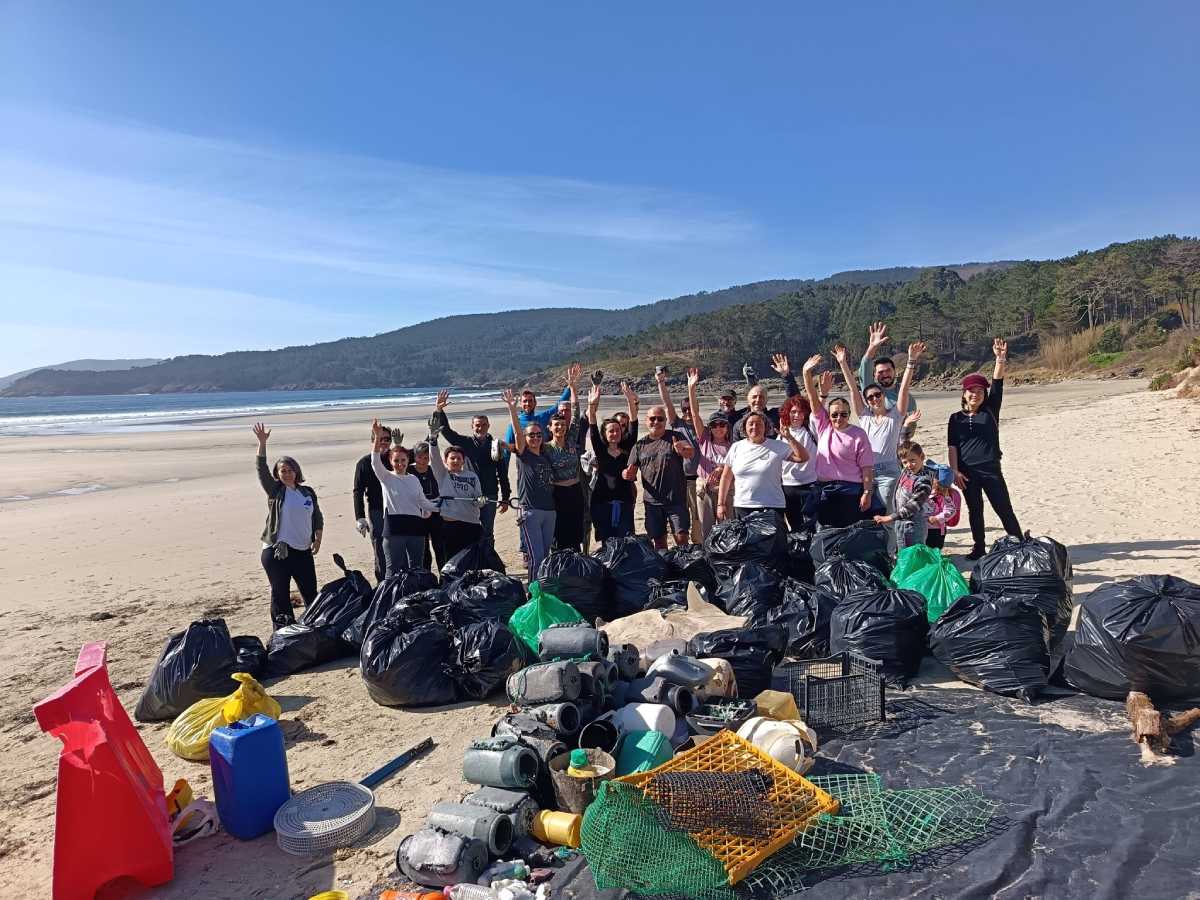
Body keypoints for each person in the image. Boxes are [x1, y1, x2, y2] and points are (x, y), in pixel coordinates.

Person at [948, 338, 1023, 559]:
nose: (976, 394)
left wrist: (1000, 359)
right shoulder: (955, 418)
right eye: (971, 391)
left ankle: (1019, 542)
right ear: (964, 394)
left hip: (990, 468)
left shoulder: (990, 410)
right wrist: (954, 470)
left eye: (980, 391)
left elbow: (998, 382)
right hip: (966, 473)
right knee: (975, 511)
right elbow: (952, 446)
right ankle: (979, 547)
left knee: (1003, 508)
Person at [834, 341, 923, 513]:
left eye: (878, 395)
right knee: (866, 515)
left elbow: (904, 389)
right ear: (866, 401)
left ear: (883, 395)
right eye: (870, 397)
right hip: (865, 471)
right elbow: (853, 389)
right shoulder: (865, 416)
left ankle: (894, 541)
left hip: (889, 472)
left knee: (889, 516)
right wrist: (842, 363)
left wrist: (911, 361)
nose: (874, 399)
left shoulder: (896, 415)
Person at [253, 423, 323, 628]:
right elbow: (261, 469)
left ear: (297, 471)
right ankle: (282, 632)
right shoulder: (275, 491)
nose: (287, 474)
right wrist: (262, 444)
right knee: (280, 594)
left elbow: (317, 517)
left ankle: (313, 628)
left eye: (290, 470)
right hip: (277, 551)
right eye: (282, 471)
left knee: (310, 592)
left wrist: (318, 538)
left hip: (302, 550)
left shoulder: (307, 492)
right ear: (277, 474)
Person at [801, 355, 875, 529]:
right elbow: (813, 399)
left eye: (843, 414)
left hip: (850, 491)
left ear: (849, 415)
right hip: (824, 490)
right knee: (825, 532)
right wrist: (806, 373)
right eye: (834, 414)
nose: (838, 417)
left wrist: (867, 493)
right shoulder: (824, 428)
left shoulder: (858, 434)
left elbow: (867, 468)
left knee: (848, 533)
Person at [430, 391, 511, 547]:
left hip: (488, 494)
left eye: (483, 425)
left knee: (487, 533)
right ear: (472, 426)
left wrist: (506, 497)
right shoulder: (465, 443)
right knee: (469, 530)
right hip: (466, 495)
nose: (480, 428)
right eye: (477, 425)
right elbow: (447, 432)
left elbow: (502, 473)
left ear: (488, 426)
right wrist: (439, 411)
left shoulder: (495, 446)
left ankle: (488, 563)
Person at [716, 409, 810, 532]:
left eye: (759, 424)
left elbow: (803, 458)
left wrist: (789, 437)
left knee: (771, 548)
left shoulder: (777, 446)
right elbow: (726, 477)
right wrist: (721, 504)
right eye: (751, 424)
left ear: (765, 427)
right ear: (744, 427)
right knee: (748, 548)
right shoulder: (736, 447)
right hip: (744, 505)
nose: (755, 427)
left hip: (772, 505)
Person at [501, 388, 558, 580]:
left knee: (546, 556)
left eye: (538, 435)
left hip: (550, 511)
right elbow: (517, 433)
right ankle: (534, 595)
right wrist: (512, 409)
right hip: (530, 511)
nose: (535, 438)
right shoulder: (524, 455)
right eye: (531, 435)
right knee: (536, 557)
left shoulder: (546, 455)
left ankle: (543, 590)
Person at [369, 421, 438, 575]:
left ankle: (414, 599)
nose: (400, 464)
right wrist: (377, 437)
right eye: (396, 461)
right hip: (394, 529)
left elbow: (423, 503)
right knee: (392, 571)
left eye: (403, 460)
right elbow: (375, 461)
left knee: (416, 570)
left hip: (416, 529)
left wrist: (441, 505)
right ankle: (391, 599)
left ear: (408, 460)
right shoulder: (386, 477)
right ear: (390, 462)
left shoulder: (413, 479)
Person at [622, 404, 696, 549]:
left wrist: (682, 450)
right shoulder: (640, 445)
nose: (656, 422)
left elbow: (690, 453)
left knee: (682, 540)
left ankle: (682, 569)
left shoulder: (675, 437)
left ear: (666, 421)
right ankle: (665, 570)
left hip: (676, 500)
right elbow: (630, 472)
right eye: (652, 418)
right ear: (646, 420)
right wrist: (626, 474)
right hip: (652, 502)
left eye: (660, 419)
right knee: (659, 542)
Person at [586, 381, 640, 541]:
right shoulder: (600, 449)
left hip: (624, 502)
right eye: (611, 431)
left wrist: (631, 401)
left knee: (626, 541)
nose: (615, 433)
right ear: (605, 433)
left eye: (617, 430)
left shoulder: (627, 446)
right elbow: (592, 424)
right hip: (601, 503)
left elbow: (634, 424)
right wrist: (591, 404)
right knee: (606, 542)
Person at [655, 369, 703, 542]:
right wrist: (661, 383)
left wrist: (693, 388)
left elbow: (695, 408)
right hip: (679, 480)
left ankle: (698, 545)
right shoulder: (677, 423)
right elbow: (667, 403)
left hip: (697, 479)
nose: (688, 412)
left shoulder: (700, 427)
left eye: (690, 408)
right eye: (685, 409)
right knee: (680, 518)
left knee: (698, 518)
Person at [685, 367, 733, 539]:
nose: (718, 428)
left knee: (728, 529)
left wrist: (721, 468)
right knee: (707, 531)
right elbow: (695, 414)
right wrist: (691, 388)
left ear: (727, 427)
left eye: (722, 424)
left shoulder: (733, 445)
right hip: (704, 488)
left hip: (726, 490)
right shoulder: (704, 438)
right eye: (714, 425)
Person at [545, 367, 588, 553]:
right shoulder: (545, 448)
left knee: (576, 531)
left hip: (576, 491)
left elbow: (576, 415)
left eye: (563, 425)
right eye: (556, 425)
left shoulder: (571, 439)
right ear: (550, 428)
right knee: (560, 534)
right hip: (558, 493)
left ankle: (577, 563)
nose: (560, 428)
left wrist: (573, 388)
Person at [426, 437, 487, 560]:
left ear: (463, 461)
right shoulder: (442, 474)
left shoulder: (472, 476)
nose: (455, 460)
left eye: (459, 458)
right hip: (451, 525)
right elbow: (435, 460)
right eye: (452, 458)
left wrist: (480, 501)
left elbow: (478, 499)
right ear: (446, 461)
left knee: (473, 559)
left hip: (472, 524)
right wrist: (432, 442)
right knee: (453, 560)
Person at [873, 441, 935, 548]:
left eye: (913, 461)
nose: (909, 465)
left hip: (913, 527)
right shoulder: (907, 472)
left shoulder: (923, 482)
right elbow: (903, 440)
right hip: (901, 524)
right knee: (903, 553)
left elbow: (912, 506)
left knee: (913, 557)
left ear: (922, 457)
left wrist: (889, 518)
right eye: (905, 462)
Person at [353, 423, 391, 582]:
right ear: (373, 440)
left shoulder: (396, 458)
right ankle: (383, 584)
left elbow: (419, 455)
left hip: (399, 510)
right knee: (381, 550)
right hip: (377, 511)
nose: (384, 442)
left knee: (399, 549)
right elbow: (358, 490)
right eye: (379, 439)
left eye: (387, 439)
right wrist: (360, 517)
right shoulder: (364, 463)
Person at [731, 354, 802, 439]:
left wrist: (786, 376)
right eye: (754, 397)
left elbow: (794, 401)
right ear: (748, 400)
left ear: (767, 400)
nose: (757, 400)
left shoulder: (775, 416)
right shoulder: (739, 421)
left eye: (761, 397)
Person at [777, 395, 819, 533]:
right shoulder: (781, 433)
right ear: (787, 413)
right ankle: (798, 552)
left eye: (800, 412)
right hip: (788, 486)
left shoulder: (810, 430)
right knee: (794, 525)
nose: (797, 415)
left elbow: (817, 409)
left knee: (811, 524)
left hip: (809, 484)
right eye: (793, 412)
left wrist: (822, 394)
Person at [858, 321, 919, 416]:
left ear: (895, 371)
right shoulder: (873, 393)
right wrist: (872, 347)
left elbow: (910, 425)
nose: (885, 374)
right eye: (880, 372)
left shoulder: (906, 396)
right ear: (874, 375)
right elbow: (865, 367)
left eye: (888, 370)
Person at [410, 443, 443, 572]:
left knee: (440, 548)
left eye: (425, 458)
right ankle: (425, 578)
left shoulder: (434, 471)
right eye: (419, 457)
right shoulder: (409, 472)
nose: (422, 461)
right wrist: (397, 444)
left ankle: (444, 580)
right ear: (414, 457)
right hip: (417, 515)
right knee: (423, 551)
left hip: (436, 513)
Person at [925, 465, 962, 550]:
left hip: (936, 531)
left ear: (936, 482)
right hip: (923, 528)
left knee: (934, 552)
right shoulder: (926, 491)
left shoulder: (945, 496)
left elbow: (951, 510)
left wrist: (937, 518)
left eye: (931, 475)